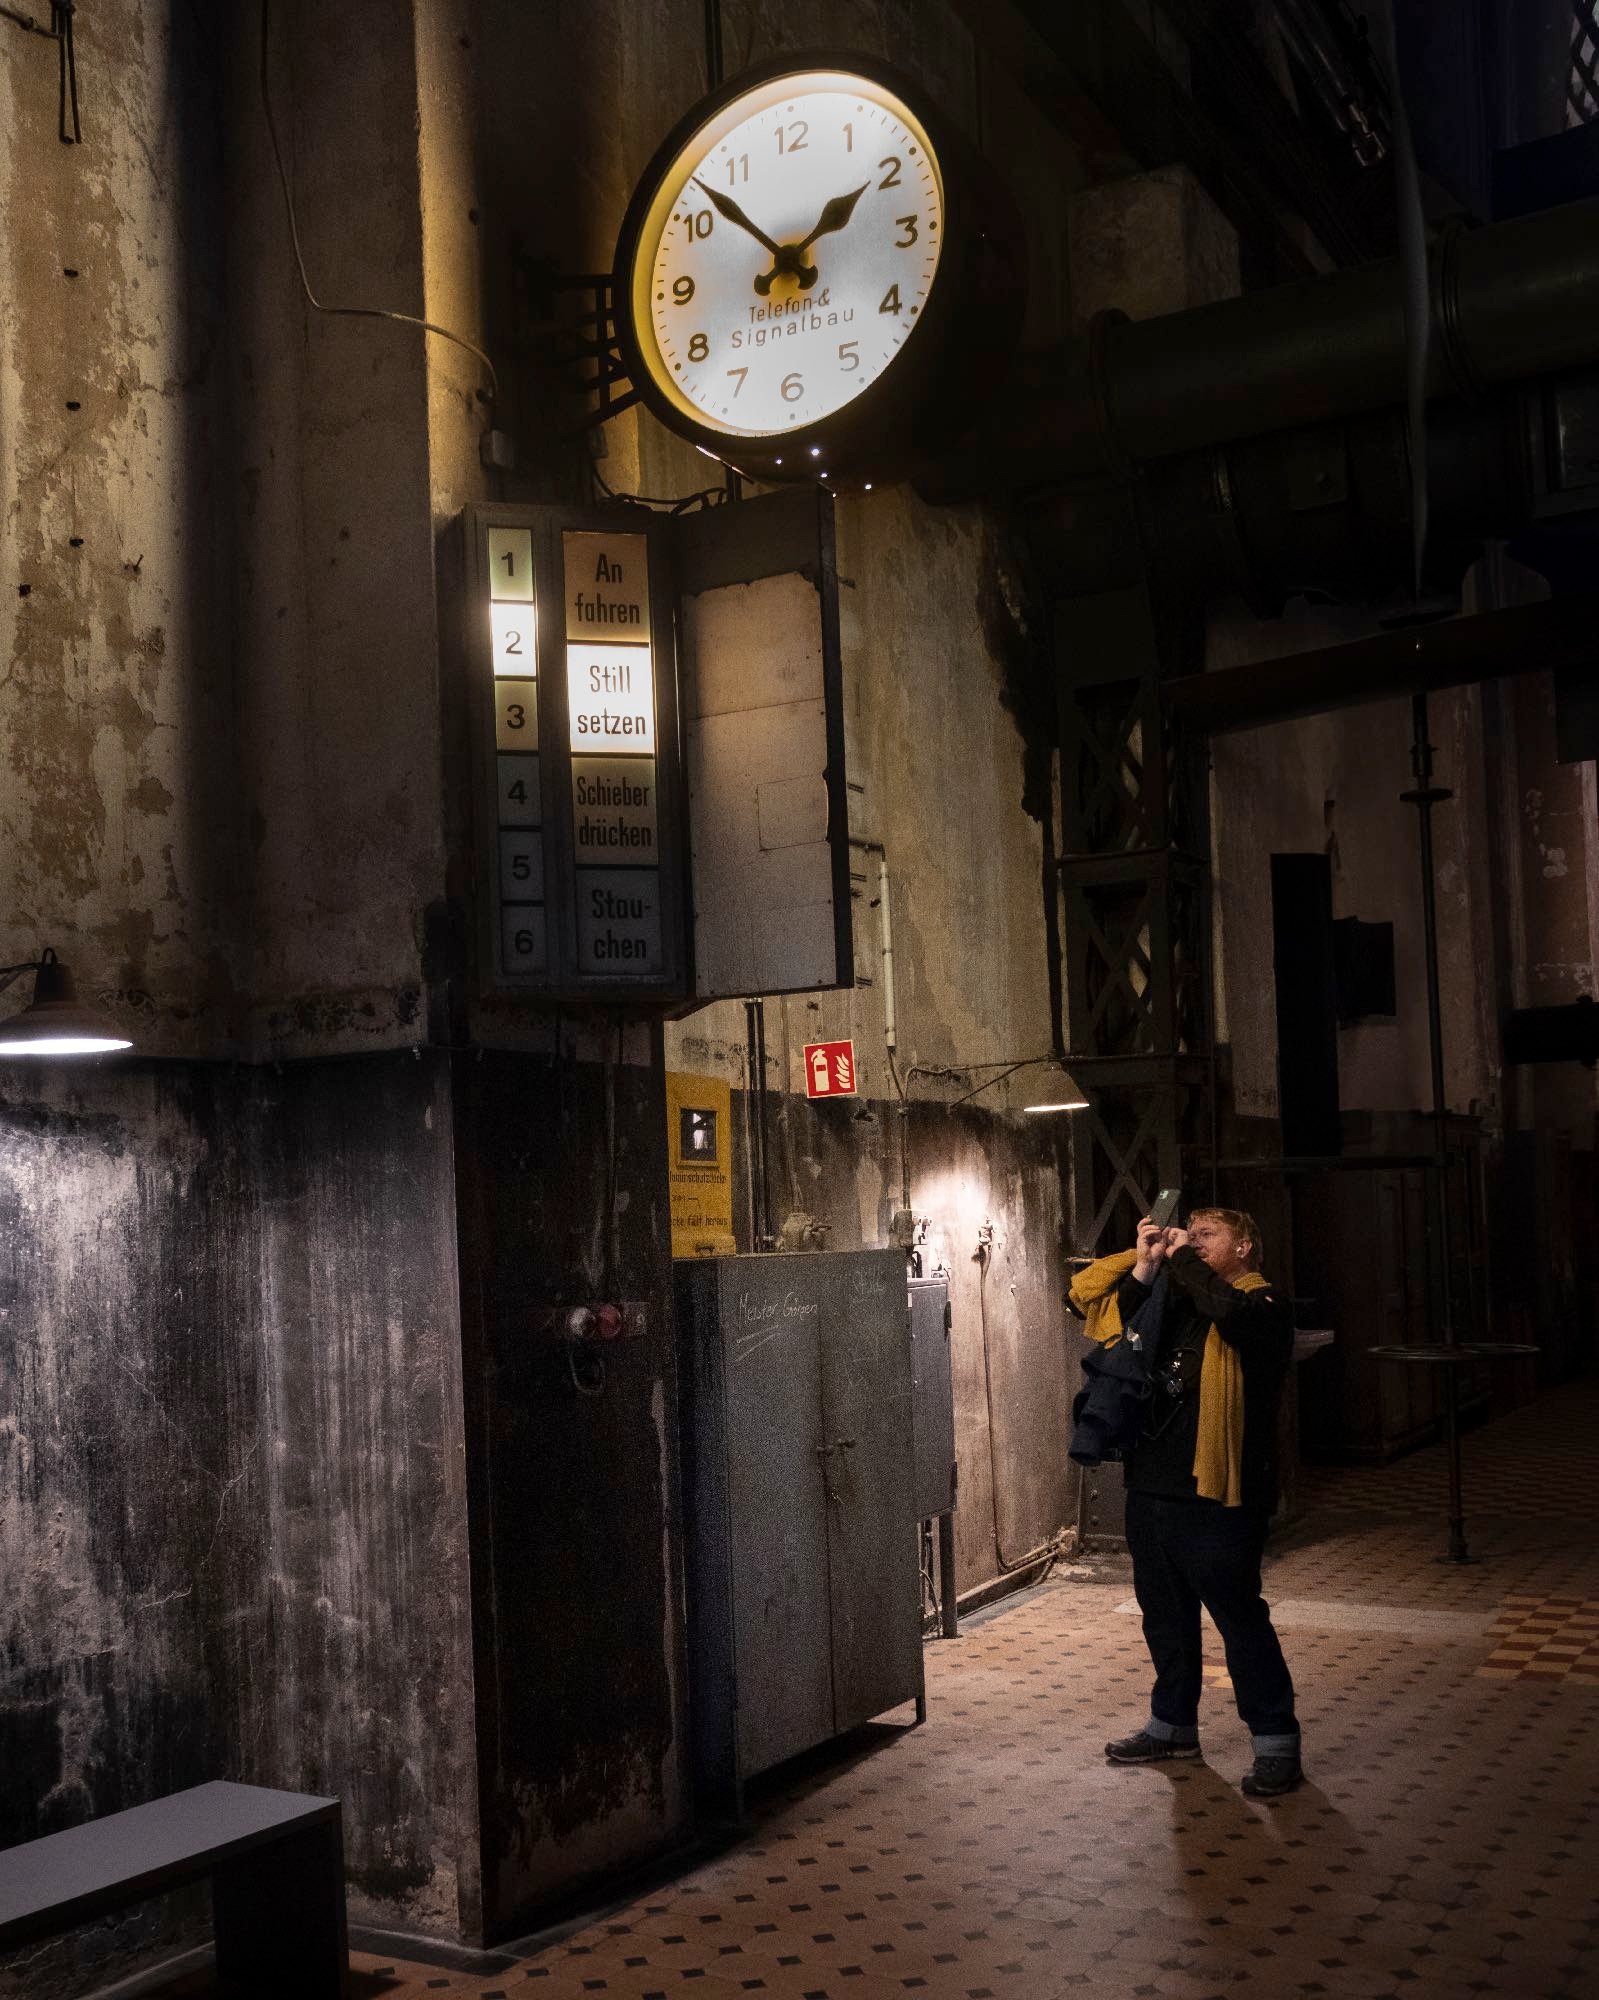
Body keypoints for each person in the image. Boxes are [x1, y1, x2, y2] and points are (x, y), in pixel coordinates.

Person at [1091, 1207, 1302, 1797]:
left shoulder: (1263, 1306)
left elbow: (1229, 1314)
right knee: (1164, 1616)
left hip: (1221, 1494)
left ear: (1246, 1245)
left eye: (1209, 1234)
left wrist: (1182, 1258)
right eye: (1190, 1232)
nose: (1193, 1240)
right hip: (1154, 1483)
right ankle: (1173, 1726)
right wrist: (1145, 1264)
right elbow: (1122, 1328)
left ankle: (1276, 1743)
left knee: (1239, 1618)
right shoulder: (1180, 1299)